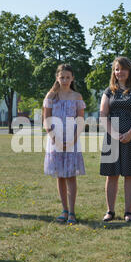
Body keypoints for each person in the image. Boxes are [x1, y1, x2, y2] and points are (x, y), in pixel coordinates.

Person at [99, 57, 131, 223]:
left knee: (130, 174)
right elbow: (103, 114)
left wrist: (130, 133)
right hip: (111, 136)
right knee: (111, 175)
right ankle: (110, 211)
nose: (120, 72)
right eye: (117, 69)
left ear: (129, 71)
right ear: (114, 72)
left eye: (123, 69)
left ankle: (128, 212)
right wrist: (113, 133)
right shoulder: (109, 91)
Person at [43, 64, 86, 225]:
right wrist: (55, 139)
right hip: (55, 140)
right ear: (57, 78)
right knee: (60, 176)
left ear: (72, 78)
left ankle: (72, 212)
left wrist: (72, 140)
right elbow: (46, 119)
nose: (65, 80)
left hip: (72, 140)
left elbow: (80, 121)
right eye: (62, 77)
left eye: (68, 77)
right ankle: (64, 210)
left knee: (71, 175)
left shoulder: (77, 97)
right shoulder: (51, 96)